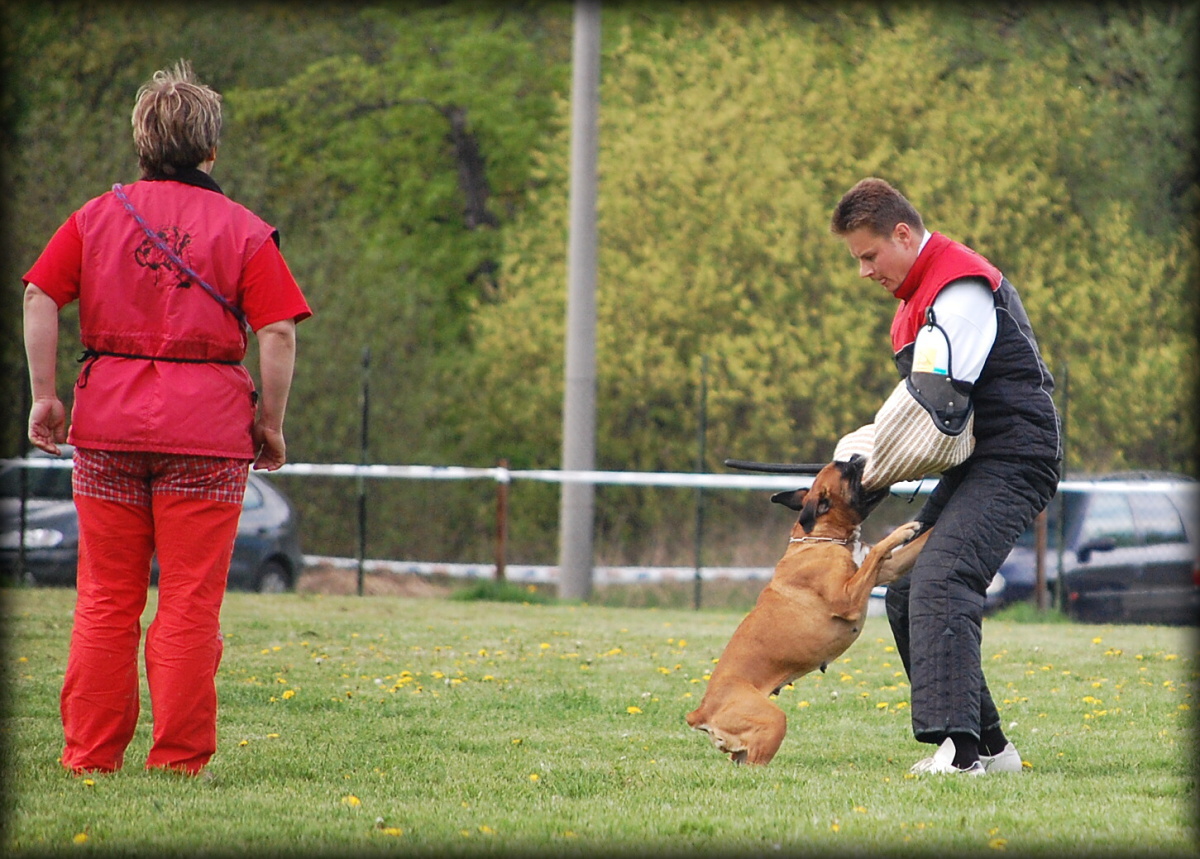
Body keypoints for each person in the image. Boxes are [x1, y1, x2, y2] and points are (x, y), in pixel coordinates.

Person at [22, 60, 312, 775]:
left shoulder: (94, 217)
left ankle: (90, 754)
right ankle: (178, 759)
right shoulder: (245, 231)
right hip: (206, 438)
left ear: (140, 142)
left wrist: (46, 395)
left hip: (109, 426)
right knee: (188, 601)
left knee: (105, 596)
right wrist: (270, 422)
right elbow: (276, 331)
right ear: (212, 150)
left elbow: (38, 295)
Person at [829, 177, 1060, 775]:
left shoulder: (959, 287)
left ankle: (957, 757)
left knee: (942, 577)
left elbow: (937, 409)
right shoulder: (916, 303)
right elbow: (917, 416)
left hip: (1016, 455)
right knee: (906, 588)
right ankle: (991, 749)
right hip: (979, 460)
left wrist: (863, 476)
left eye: (868, 255)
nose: (863, 272)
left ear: (902, 234)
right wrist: (852, 467)